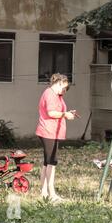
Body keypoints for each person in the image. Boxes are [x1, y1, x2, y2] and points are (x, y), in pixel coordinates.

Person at [36, 73, 77, 202]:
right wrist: (65, 114)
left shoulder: (56, 95)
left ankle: (44, 192)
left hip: (52, 131)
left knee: (47, 163)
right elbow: (51, 112)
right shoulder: (50, 94)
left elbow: (58, 111)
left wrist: (66, 113)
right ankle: (51, 193)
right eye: (63, 87)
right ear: (59, 82)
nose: (64, 91)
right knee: (52, 163)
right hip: (49, 131)